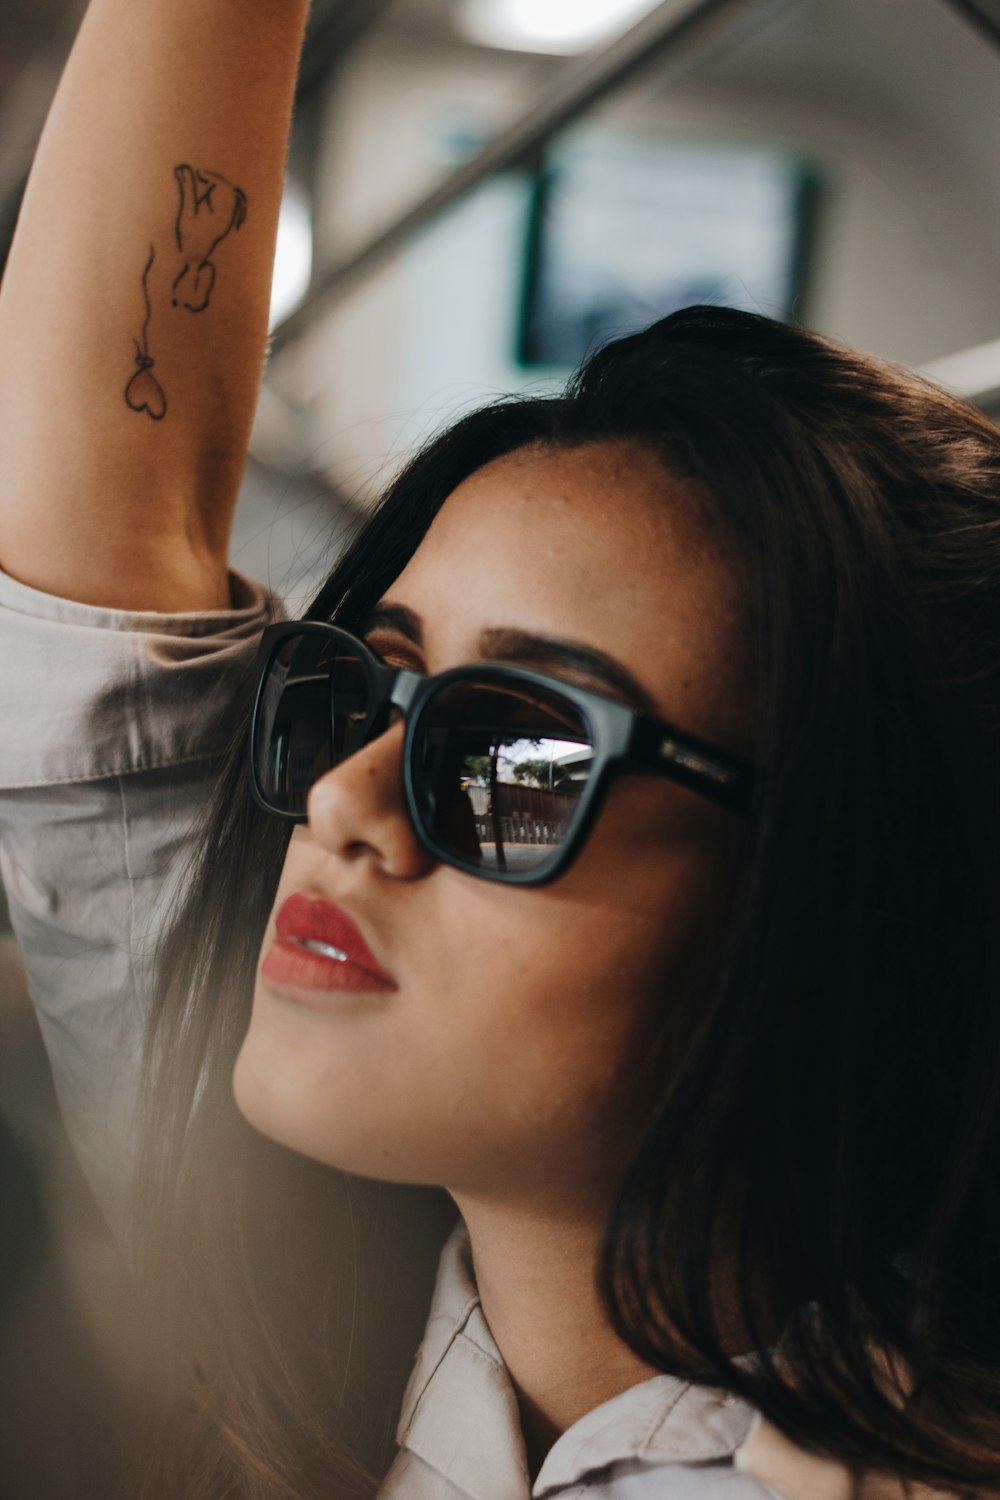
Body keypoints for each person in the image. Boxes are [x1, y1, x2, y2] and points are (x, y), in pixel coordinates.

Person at [0, 4, 997, 1499]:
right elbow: (96, 554)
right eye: (368, 692)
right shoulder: (292, 1250)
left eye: (517, 754)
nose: (341, 802)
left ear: (843, 891)